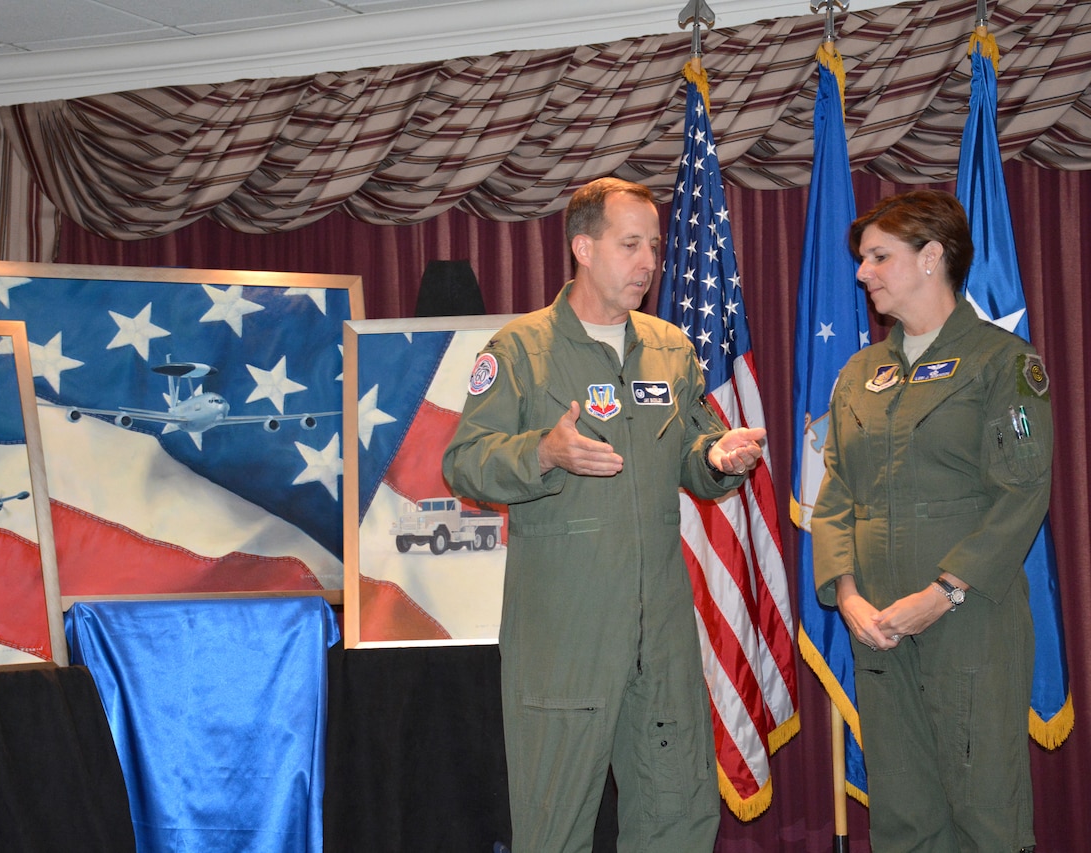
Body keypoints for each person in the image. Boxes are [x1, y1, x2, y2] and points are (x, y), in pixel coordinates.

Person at [442, 176, 766, 852]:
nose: (648, 261)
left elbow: (692, 454)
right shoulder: (521, 351)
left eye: (654, 244)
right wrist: (544, 451)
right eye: (630, 245)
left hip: (662, 633)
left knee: (676, 816)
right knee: (554, 827)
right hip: (566, 638)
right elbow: (464, 461)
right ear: (583, 248)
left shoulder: (671, 348)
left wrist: (720, 457)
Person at [812, 189, 1051, 853]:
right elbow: (836, 494)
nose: (862, 272)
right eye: (863, 259)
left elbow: (1022, 493)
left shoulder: (1003, 364)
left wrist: (944, 591)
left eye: (878, 256)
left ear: (931, 258)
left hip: (970, 625)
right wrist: (848, 595)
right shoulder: (860, 373)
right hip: (881, 631)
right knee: (902, 817)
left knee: (986, 815)